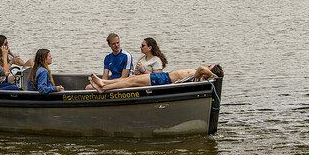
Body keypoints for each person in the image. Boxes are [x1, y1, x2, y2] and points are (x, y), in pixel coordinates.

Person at [89, 64, 224, 93]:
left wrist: (213, 75)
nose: (207, 65)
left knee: (131, 81)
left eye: (210, 66)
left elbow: (201, 68)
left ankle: (104, 88)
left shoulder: (201, 75)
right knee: (130, 80)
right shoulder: (199, 76)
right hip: (163, 77)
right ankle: (104, 82)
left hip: (163, 80)